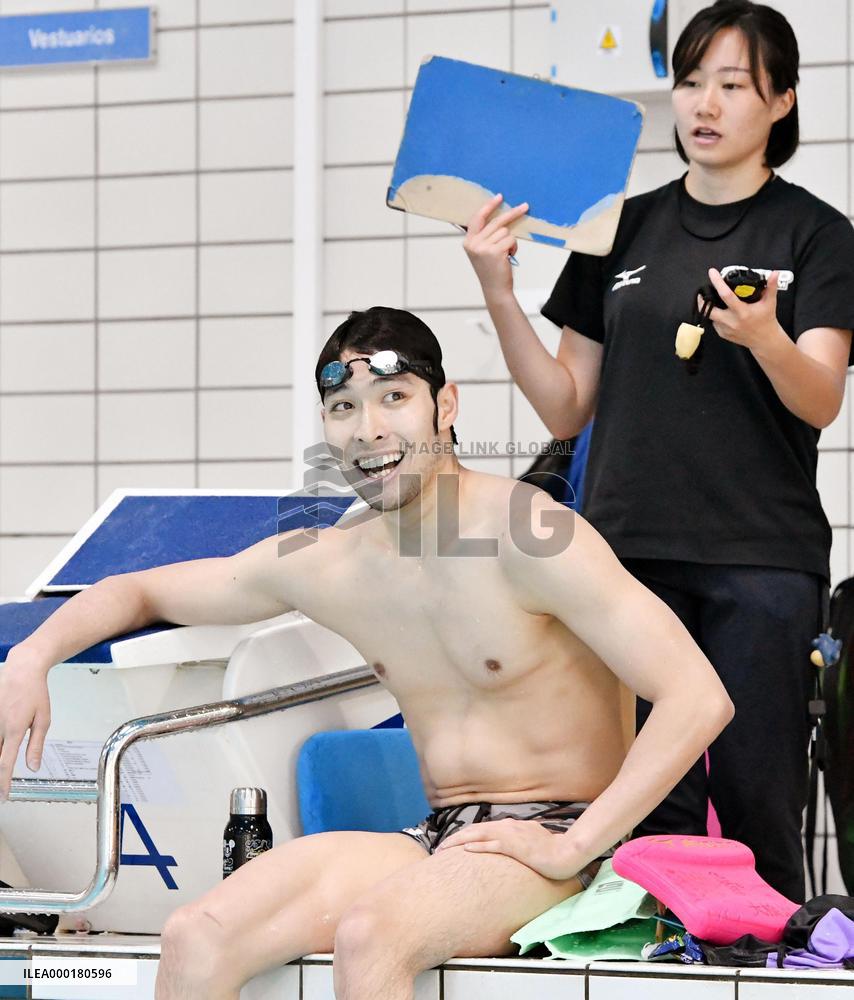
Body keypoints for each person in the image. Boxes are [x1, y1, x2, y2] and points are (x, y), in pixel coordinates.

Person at [0, 307, 732, 999]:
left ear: (445, 405)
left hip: (563, 835)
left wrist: (576, 846)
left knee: (371, 935)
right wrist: (29, 660)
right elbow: (137, 592)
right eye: (343, 409)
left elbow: (697, 697)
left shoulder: (530, 533)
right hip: (440, 837)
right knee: (198, 933)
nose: (367, 429)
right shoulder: (333, 561)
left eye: (393, 397)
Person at [462, 0, 854, 903]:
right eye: (689, 83)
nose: (703, 105)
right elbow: (566, 406)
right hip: (629, 555)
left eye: (732, 84)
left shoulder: (817, 235)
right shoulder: (621, 228)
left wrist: (762, 335)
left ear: (782, 101)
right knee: (652, 804)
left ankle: (770, 955)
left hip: (762, 558)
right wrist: (498, 290)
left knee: (759, 793)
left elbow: (822, 396)